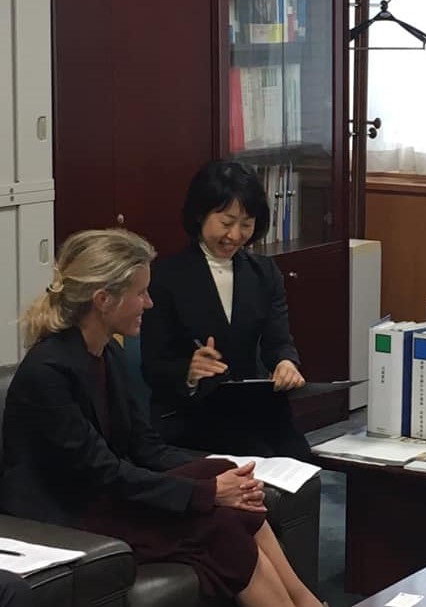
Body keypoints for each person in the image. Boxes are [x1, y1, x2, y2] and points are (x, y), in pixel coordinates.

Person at [0, 229, 323, 607]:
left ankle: (307, 602)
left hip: (102, 493)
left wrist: (223, 476)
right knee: (220, 522)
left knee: (220, 471)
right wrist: (207, 493)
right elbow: (100, 471)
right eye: (140, 293)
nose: (149, 303)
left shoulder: (108, 353)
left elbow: (145, 446)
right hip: (66, 512)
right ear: (103, 300)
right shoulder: (48, 372)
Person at [141, 160, 312, 461]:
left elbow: (278, 341)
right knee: (258, 462)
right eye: (226, 222)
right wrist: (189, 370)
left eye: (246, 224)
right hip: (194, 413)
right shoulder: (166, 277)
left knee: (300, 458)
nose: (235, 235)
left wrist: (286, 363)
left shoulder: (265, 273)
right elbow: (154, 365)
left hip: (254, 409)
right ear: (200, 214)